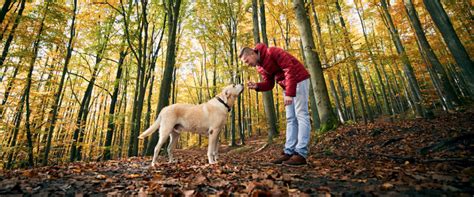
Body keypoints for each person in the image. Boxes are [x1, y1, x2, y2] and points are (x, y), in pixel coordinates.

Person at [239, 43, 311, 166]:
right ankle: (289, 152)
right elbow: (269, 84)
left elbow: (289, 69)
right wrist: (257, 86)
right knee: (290, 119)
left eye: (247, 60)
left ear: (252, 53)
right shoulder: (260, 67)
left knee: (301, 115)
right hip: (287, 87)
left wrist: (289, 92)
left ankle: (301, 154)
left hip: (298, 79)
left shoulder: (272, 52)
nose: (248, 64)